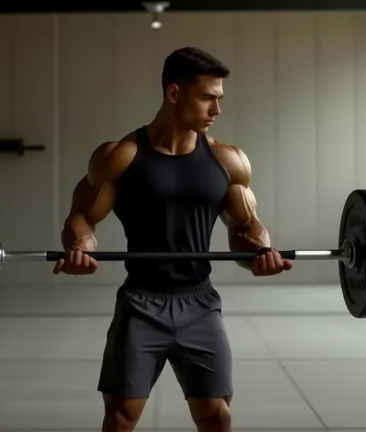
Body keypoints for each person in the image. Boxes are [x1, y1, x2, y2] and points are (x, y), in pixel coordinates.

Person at [54, 47, 292, 432]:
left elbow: (245, 230)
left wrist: (261, 254)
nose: (217, 109)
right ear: (175, 93)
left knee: (217, 415)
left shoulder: (228, 160)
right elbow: (82, 218)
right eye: (208, 98)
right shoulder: (120, 156)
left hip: (200, 303)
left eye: (219, 98)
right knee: (121, 414)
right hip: (141, 303)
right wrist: (80, 249)